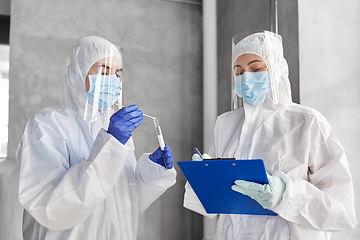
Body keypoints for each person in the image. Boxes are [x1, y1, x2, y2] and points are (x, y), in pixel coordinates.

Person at [183, 31, 357, 239]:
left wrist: (285, 194)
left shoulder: (306, 121)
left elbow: (341, 209)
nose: (245, 78)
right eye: (238, 72)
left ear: (276, 69)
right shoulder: (226, 124)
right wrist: (205, 177)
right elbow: (211, 203)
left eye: (256, 69)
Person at [16, 36, 177, 240]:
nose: (113, 81)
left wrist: (152, 172)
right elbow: (51, 208)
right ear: (78, 73)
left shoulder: (114, 125)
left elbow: (125, 200)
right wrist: (110, 145)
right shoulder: (47, 125)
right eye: (104, 71)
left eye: (117, 74)